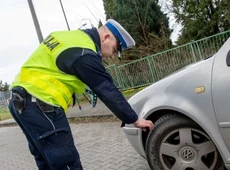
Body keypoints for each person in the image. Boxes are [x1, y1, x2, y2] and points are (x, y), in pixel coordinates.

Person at [8, 19, 154, 170]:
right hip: (41, 104)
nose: (112, 56)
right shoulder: (84, 53)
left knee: (46, 160)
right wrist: (134, 119)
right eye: (115, 49)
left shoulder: (68, 37)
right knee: (66, 161)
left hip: (20, 102)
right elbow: (107, 90)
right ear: (106, 37)